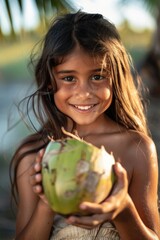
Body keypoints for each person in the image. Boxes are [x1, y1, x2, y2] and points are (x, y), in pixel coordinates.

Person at [10, 11, 160, 240]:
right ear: (50, 81)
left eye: (97, 76)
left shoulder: (137, 148)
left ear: (115, 77)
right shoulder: (33, 155)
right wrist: (46, 202)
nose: (84, 93)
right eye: (69, 78)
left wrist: (123, 210)